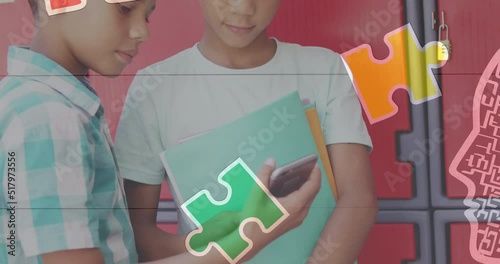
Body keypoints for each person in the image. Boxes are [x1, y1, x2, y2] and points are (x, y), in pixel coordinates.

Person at [0, 0, 320, 263]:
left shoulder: (24, 100)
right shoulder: (52, 119)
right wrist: (247, 242)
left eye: (148, 15)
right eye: (125, 8)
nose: (142, 31)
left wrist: (232, 230)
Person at [115, 0, 379, 263]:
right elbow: (135, 233)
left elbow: (357, 198)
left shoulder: (324, 68)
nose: (243, 8)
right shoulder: (153, 88)